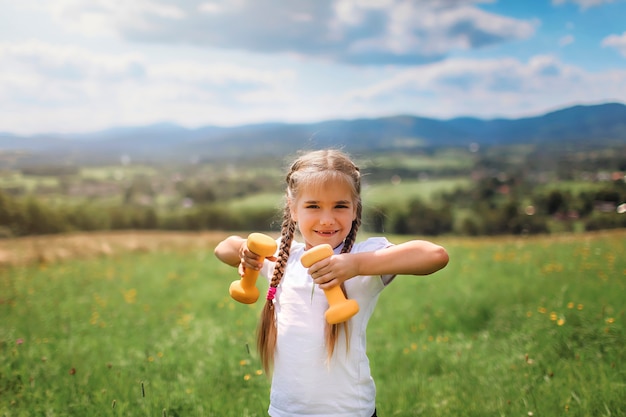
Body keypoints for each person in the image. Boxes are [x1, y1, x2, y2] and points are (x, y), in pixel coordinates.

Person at [214, 149, 449, 417]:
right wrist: (245, 249)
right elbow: (223, 248)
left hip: (350, 411)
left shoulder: (361, 259)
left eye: (340, 205)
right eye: (313, 206)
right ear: (293, 209)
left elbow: (435, 255)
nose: (327, 219)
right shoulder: (283, 257)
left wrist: (357, 265)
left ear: (354, 209)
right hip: (286, 411)